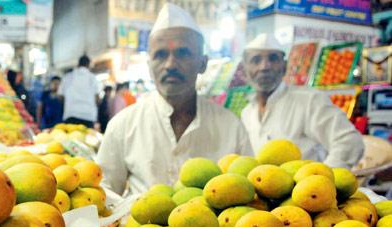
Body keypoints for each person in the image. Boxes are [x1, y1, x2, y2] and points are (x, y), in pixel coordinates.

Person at [97, 4, 252, 196]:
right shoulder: (123, 125)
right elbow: (105, 195)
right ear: (149, 66)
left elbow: (249, 191)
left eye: (183, 53)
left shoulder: (231, 127)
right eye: (160, 55)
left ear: (202, 63)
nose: (170, 64)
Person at [241, 33, 364, 168]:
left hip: (309, 188)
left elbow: (349, 142)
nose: (265, 66)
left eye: (273, 58)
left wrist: (322, 178)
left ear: (285, 66)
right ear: (245, 70)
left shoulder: (309, 100)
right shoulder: (247, 113)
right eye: (256, 60)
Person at [58, 55, 99, 128]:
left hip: (71, 114)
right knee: (87, 139)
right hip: (88, 115)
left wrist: (69, 101)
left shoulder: (68, 77)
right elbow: (97, 98)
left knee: (71, 138)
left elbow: (60, 96)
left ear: (78, 64)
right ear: (88, 65)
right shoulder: (92, 78)